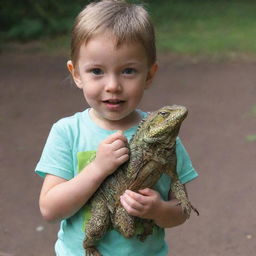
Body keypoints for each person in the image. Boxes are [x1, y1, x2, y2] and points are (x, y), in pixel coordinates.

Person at [35, 0, 198, 255]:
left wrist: (159, 210)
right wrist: (98, 168)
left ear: (150, 75)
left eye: (128, 71)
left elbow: (180, 211)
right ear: (76, 73)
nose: (113, 85)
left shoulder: (165, 137)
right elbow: (50, 210)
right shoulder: (67, 132)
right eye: (97, 71)